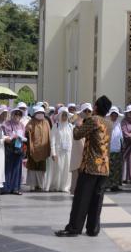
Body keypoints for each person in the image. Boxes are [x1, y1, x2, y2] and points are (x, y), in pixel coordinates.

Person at [56, 96, 112, 237]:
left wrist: (77, 122)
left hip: (90, 166)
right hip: (104, 167)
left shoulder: (94, 120)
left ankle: (74, 228)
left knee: (81, 199)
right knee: (96, 200)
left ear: (97, 108)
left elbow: (77, 134)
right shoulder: (109, 123)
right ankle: (93, 229)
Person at [46, 107, 73, 192]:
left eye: (66, 115)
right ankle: (56, 186)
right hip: (58, 151)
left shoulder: (70, 126)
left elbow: (72, 139)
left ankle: (65, 186)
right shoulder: (56, 126)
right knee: (58, 169)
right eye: (63, 115)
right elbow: (52, 140)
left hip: (68, 152)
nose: (64, 117)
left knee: (66, 170)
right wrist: (53, 153)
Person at [25, 105, 51, 191]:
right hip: (33, 149)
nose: (40, 115)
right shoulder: (31, 122)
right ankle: (33, 185)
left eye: (41, 113)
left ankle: (40, 185)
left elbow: (49, 135)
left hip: (43, 149)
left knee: (42, 167)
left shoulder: (46, 122)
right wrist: (28, 130)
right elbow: (27, 134)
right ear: (35, 114)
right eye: (38, 113)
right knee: (32, 167)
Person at [2, 108, 25, 195]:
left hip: (18, 147)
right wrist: (12, 136)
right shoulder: (6, 123)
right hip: (9, 148)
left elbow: (23, 135)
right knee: (8, 168)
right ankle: (6, 188)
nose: (17, 116)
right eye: (16, 114)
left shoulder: (22, 125)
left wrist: (21, 137)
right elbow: (4, 134)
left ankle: (15, 188)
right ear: (12, 114)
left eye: (19, 115)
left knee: (17, 168)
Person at [69, 104, 90, 192]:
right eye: (85, 111)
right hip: (77, 147)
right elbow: (70, 121)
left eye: (89, 111)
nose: (87, 113)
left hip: (86, 148)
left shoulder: (90, 120)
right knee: (76, 170)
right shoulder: (77, 119)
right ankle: (75, 190)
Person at [105, 107, 123, 192]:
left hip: (117, 149)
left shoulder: (118, 124)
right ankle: (108, 184)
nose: (114, 116)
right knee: (109, 168)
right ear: (110, 115)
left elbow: (121, 136)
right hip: (109, 150)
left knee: (116, 169)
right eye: (113, 115)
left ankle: (115, 185)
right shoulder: (107, 124)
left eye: (116, 115)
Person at [120, 105, 131, 183]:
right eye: (130, 113)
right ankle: (125, 178)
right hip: (126, 145)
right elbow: (125, 134)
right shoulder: (124, 122)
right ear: (127, 114)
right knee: (126, 161)